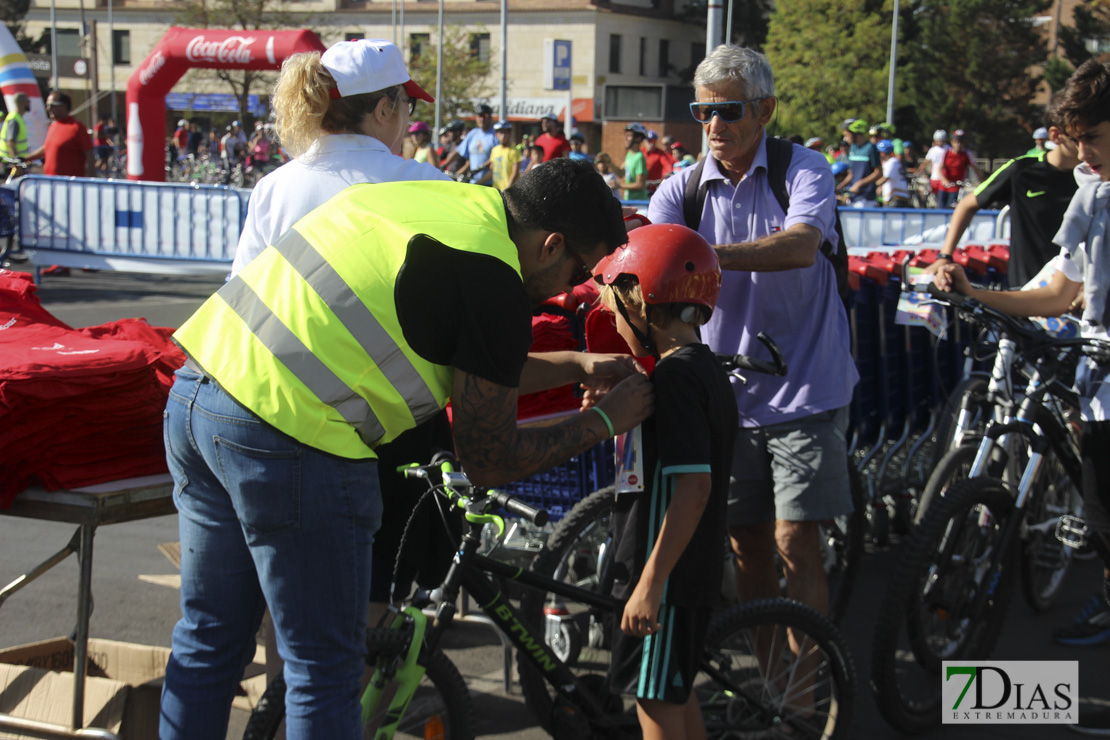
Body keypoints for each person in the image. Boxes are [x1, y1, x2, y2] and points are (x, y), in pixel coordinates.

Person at [161, 157, 653, 740]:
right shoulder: (494, 275)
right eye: (578, 268)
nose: (574, 287)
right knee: (325, 671)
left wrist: (574, 362)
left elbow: (473, 365)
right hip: (289, 431)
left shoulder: (444, 206)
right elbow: (489, 457)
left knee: (209, 639)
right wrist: (603, 418)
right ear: (550, 245)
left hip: (200, 392)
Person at [647, 45, 857, 625]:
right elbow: (651, 271)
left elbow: (799, 247)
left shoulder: (804, 169)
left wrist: (699, 256)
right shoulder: (679, 190)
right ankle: (774, 694)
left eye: (729, 111)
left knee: (796, 541)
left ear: (765, 110)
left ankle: (809, 700)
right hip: (727, 396)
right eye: (702, 112)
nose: (713, 126)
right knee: (748, 547)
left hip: (805, 386)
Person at [932, 61, 1110, 738]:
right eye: (1074, 136)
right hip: (1097, 390)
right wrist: (973, 294)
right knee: (1098, 518)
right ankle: (1007, 699)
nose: (1080, 151)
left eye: (1090, 135)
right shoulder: (1090, 191)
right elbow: (1059, 292)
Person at [593, 223, 735, 740]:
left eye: (615, 309)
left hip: (668, 580)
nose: (612, 319)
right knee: (673, 693)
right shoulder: (696, 369)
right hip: (680, 574)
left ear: (643, 304)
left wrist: (649, 587)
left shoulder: (677, 379)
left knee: (653, 704)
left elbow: (693, 488)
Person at [924, 102, 1081, 288]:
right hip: (1025, 290)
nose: (1089, 147)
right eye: (1081, 138)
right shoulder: (1022, 170)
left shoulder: (1098, 176)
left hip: (1080, 295)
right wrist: (944, 256)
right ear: (1056, 136)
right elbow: (967, 204)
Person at [26, 91, 93, 178]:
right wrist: (25, 158)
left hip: (69, 186)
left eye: (52, 105)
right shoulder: (53, 126)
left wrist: (89, 181)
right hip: (51, 183)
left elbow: (90, 155)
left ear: (64, 106)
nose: (48, 109)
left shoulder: (77, 127)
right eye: (47, 106)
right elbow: (46, 148)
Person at [597, 123, 649, 201]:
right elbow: (620, 173)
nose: (625, 138)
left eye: (628, 135)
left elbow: (640, 185)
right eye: (625, 135)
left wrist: (619, 185)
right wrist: (608, 161)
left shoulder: (639, 157)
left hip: (639, 202)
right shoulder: (629, 154)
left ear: (638, 138)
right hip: (629, 200)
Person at [840, 117, 881, 207]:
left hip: (866, 199)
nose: (845, 139)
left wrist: (859, 184)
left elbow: (878, 172)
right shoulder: (852, 148)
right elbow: (851, 174)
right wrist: (839, 186)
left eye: (846, 135)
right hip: (852, 198)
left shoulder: (870, 148)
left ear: (855, 133)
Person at [936, 128, 983, 208]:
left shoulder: (966, 154)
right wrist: (944, 180)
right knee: (940, 208)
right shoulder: (946, 153)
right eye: (956, 142)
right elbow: (939, 169)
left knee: (951, 208)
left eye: (960, 142)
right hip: (944, 186)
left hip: (956, 187)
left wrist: (981, 182)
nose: (958, 144)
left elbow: (975, 168)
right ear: (952, 142)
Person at [455, 103, 498, 185]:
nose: (481, 119)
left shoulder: (495, 135)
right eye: (479, 116)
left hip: (489, 183)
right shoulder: (473, 133)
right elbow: (458, 151)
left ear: (490, 117)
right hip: (473, 182)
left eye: (484, 116)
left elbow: (496, 158)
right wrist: (444, 164)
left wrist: (480, 168)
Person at [0, 93, 31, 172]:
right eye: (28, 102)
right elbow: (10, 142)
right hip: (10, 164)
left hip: (12, 162)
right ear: (22, 103)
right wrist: (16, 163)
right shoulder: (14, 119)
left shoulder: (17, 118)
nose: (29, 104)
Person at [875, 138, 910, 207]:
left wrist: (873, 184)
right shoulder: (889, 162)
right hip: (894, 197)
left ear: (883, 153)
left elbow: (885, 178)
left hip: (897, 197)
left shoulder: (892, 162)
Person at [921, 129, 951, 203]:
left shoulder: (949, 149)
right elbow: (926, 162)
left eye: (942, 140)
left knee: (944, 199)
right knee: (936, 199)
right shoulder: (933, 150)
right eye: (938, 140)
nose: (940, 142)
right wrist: (919, 170)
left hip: (944, 178)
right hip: (935, 178)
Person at [490, 119, 522, 189]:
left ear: (510, 134)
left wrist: (506, 190)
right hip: (496, 190)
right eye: (501, 133)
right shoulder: (494, 150)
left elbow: (515, 173)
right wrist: (478, 182)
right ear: (496, 134)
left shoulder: (515, 150)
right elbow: (492, 171)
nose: (503, 136)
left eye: (506, 133)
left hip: (509, 191)